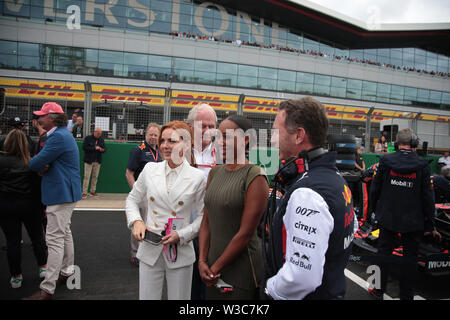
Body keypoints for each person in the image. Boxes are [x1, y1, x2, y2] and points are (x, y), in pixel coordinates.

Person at [261, 97, 356, 300]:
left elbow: (302, 277)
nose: (272, 140)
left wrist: (270, 289)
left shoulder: (308, 193)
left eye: (276, 133)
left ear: (299, 135)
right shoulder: (335, 178)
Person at [125, 120, 206, 300]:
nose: (165, 146)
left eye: (172, 141)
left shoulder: (198, 177)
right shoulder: (149, 169)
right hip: (150, 247)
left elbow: (202, 217)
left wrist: (182, 235)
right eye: (163, 141)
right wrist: (136, 221)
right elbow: (132, 199)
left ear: (186, 144)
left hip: (180, 249)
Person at [198, 115, 269, 300]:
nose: (220, 142)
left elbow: (245, 234)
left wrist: (215, 268)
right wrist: (202, 260)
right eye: (218, 136)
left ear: (246, 140)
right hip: (211, 267)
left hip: (242, 270)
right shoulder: (215, 172)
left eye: (227, 136)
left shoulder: (255, 176)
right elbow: (206, 220)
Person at [369, 128, 441, 300]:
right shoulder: (423, 165)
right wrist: (430, 224)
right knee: (410, 259)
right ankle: (406, 295)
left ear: (395, 144)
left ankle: (377, 289)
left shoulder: (385, 161)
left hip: (388, 216)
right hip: (413, 220)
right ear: (414, 144)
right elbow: (428, 198)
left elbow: (374, 189)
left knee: (383, 254)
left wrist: (374, 212)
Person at [24, 102, 82, 300]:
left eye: (41, 116)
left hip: (61, 193)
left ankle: (47, 289)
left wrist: (34, 162)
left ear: (52, 118)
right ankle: (66, 271)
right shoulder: (61, 134)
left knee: (55, 239)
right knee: (64, 233)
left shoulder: (57, 136)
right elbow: (42, 163)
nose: (38, 119)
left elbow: (35, 163)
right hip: (66, 192)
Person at [0, 129, 47, 289]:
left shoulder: (1, 161)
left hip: (6, 206)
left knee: (12, 241)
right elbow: (37, 186)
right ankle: (43, 267)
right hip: (29, 205)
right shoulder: (31, 162)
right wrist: (43, 207)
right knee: (37, 237)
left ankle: (16, 276)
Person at [186, 103, 218, 300]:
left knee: (208, 285)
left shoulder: (224, 154)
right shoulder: (176, 151)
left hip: (212, 230)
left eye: (211, 126)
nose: (207, 130)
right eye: (202, 126)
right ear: (190, 126)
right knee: (185, 284)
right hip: (183, 229)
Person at [126, 123, 163, 266]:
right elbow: (129, 173)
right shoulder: (138, 150)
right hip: (142, 195)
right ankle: (135, 253)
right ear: (145, 135)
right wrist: (136, 191)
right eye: (151, 134)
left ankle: (149, 251)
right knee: (139, 223)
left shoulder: (160, 150)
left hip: (156, 195)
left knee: (153, 223)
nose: (153, 137)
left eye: (156, 135)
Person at [82, 127, 106, 199]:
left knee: (95, 177)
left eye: (100, 133)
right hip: (89, 160)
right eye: (98, 133)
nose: (99, 135)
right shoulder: (88, 138)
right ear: (95, 132)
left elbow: (104, 149)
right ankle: (84, 192)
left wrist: (102, 149)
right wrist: (94, 148)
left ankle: (92, 191)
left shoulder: (101, 139)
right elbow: (84, 147)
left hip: (97, 161)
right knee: (87, 177)